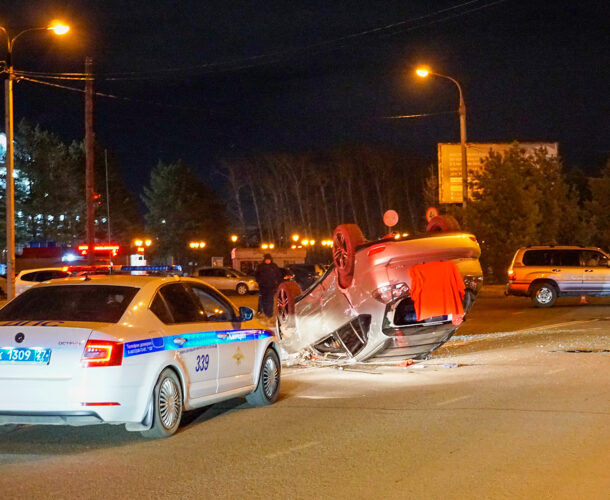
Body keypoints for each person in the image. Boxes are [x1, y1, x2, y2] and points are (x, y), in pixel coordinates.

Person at [254, 253, 284, 318]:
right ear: (264, 260)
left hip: (271, 286)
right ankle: (262, 311)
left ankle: (269, 313)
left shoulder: (274, 266)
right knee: (263, 299)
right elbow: (256, 275)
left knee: (270, 300)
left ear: (271, 260)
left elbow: (278, 275)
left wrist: (276, 282)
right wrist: (259, 281)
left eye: (269, 260)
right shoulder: (260, 266)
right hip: (263, 286)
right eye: (266, 260)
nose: (268, 261)